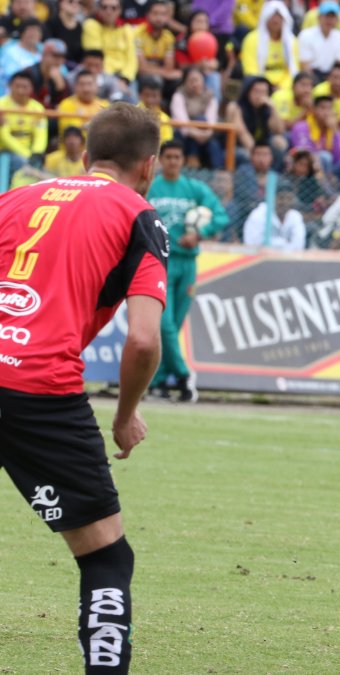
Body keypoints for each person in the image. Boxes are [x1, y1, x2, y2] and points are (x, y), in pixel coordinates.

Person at [0, 103, 167, 675]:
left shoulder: (14, 198)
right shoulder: (138, 214)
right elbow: (143, 340)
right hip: (37, 388)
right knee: (105, 557)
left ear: (85, 154)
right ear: (149, 166)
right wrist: (125, 414)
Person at [145, 139, 230, 402]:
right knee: (164, 324)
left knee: (175, 324)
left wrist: (200, 233)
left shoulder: (194, 189)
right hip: (160, 262)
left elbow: (221, 216)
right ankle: (183, 376)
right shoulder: (150, 187)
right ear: (160, 160)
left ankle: (158, 382)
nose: (172, 161)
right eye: (168, 157)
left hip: (188, 264)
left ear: (183, 161)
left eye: (177, 157)